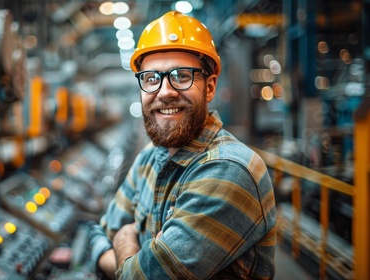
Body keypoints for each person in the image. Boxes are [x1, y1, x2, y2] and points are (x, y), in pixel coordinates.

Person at [89, 10, 277, 279]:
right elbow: (99, 232)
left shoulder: (230, 171)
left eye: (181, 75)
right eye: (152, 78)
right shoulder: (148, 160)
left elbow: (140, 276)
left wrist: (123, 243)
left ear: (210, 87)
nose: (165, 91)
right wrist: (129, 259)